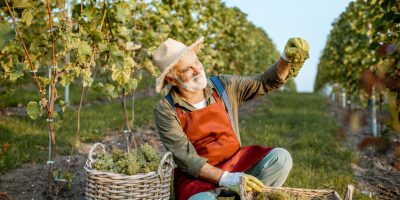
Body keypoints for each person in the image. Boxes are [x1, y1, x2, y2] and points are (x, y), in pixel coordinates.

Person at [152, 36, 309, 200]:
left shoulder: (223, 86)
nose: (197, 70)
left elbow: (264, 82)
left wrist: (286, 59)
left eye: (196, 62)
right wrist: (227, 179)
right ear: (171, 79)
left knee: (281, 158)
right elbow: (187, 159)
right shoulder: (166, 109)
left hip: (236, 163)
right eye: (187, 69)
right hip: (197, 176)